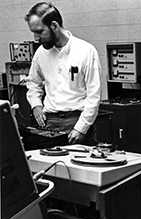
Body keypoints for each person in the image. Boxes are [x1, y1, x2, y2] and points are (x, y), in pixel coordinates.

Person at [24, 2, 101, 146]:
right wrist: (36, 105)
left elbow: (94, 96)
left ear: (54, 26)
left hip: (77, 120)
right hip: (49, 123)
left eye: (40, 32)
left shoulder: (86, 51)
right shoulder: (41, 53)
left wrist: (81, 128)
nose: (36, 38)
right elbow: (33, 83)